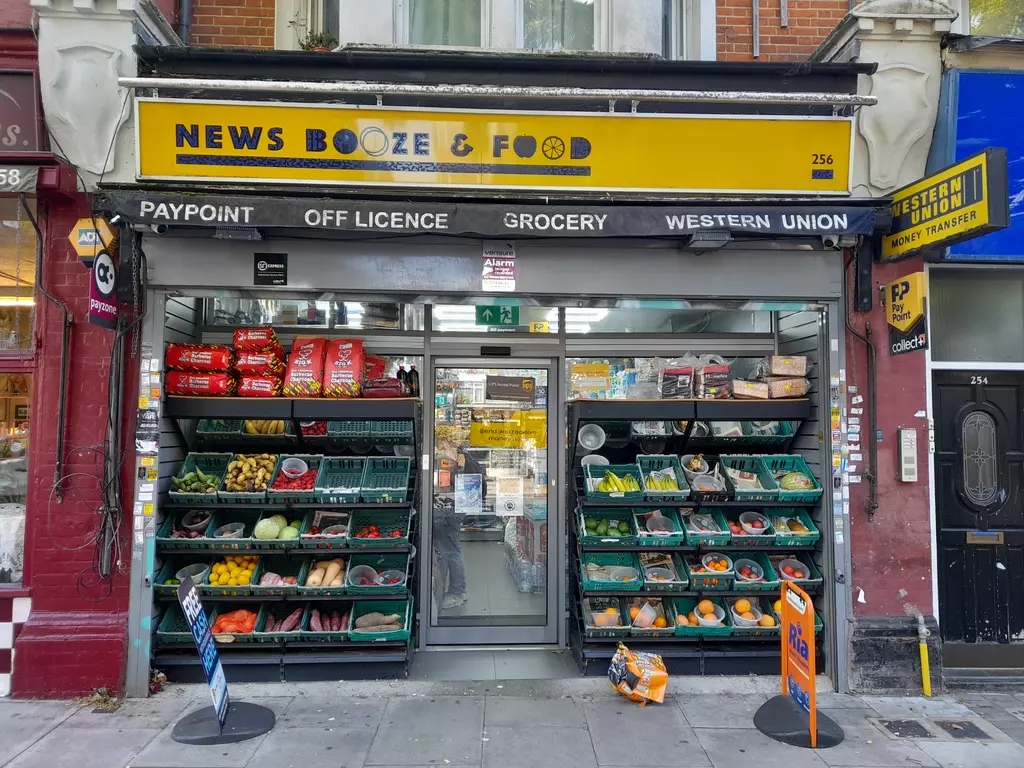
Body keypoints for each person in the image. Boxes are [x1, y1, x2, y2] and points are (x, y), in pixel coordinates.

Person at [433, 437, 487, 609]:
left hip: (446, 511)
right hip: (453, 510)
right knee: (450, 550)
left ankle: (457, 592)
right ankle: (452, 591)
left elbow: (442, 489)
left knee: (449, 551)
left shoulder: (444, 461)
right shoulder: (458, 457)